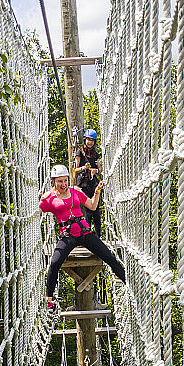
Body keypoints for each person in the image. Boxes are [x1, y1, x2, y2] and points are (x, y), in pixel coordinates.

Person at [39, 165, 125, 310]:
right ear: (54, 181)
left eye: (65, 180)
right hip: (67, 235)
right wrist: (43, 196)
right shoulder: (50, 198)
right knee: (54, 263)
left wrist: (97, 191)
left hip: (85, 232)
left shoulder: (76, 192)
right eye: (60, 181)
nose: (63, 184)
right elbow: (38, 210)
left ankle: (128, 282)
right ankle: (49, 300)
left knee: (109, 256)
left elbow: (92, 206)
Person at [74, 128, 102, 236]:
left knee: (96, 212)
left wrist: (96, 170)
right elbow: (75, 169)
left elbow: (100, 169)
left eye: (92, 140)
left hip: (93, 183)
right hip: (84, 183)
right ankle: (87, 235)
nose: (90, 142)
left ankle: (98, 236)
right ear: (85, 139)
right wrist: (84, 168)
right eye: (88, 139)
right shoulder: (80, 152)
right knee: (88, 212)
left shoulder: (95, 154)